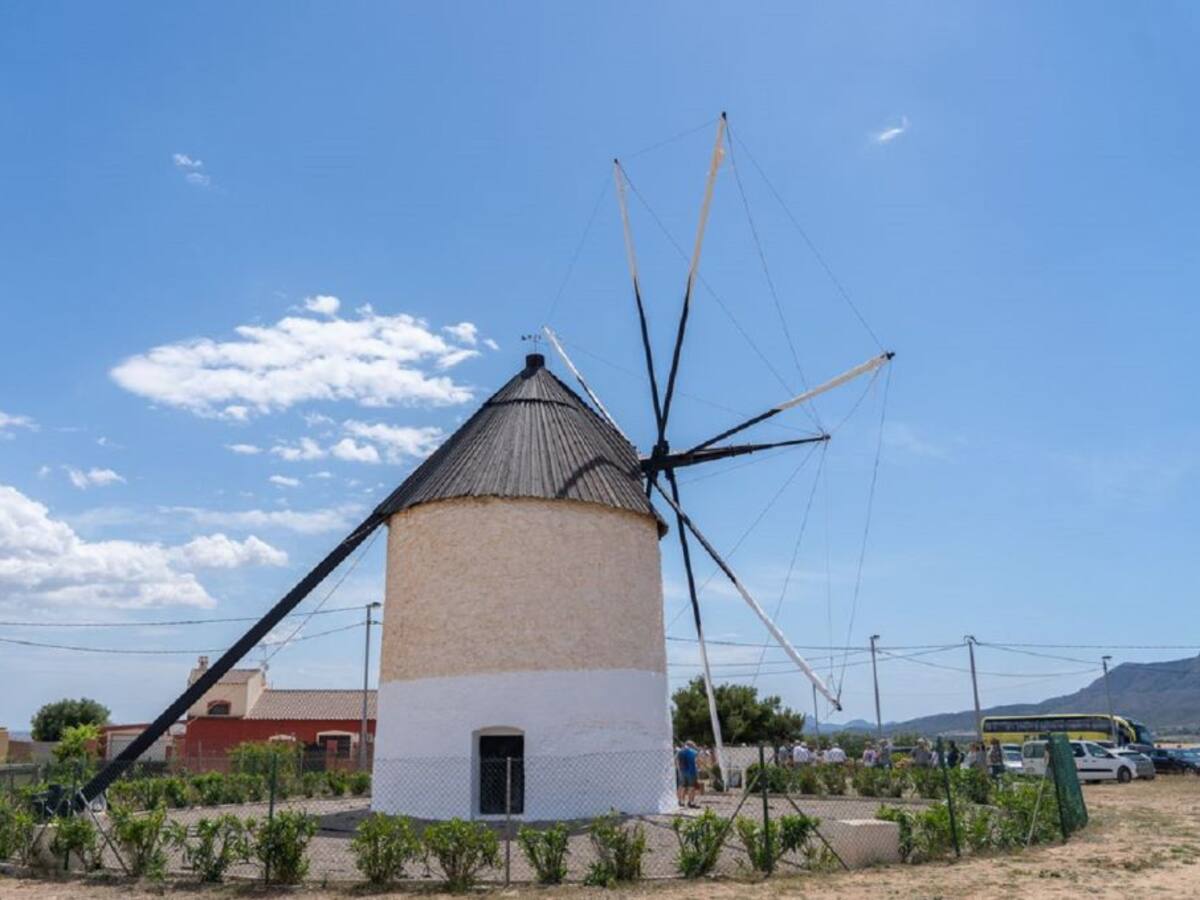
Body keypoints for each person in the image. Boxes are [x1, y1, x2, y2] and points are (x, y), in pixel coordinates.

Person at [676, 740, 700, 808]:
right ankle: (691, 802)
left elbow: (677, 762)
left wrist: (679, 770)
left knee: (682, 787)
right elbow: (697, 761)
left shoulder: (680, 752)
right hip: (691, 772)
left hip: (682, 772)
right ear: (691, 745)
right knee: (691, 787)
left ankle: (681, 801)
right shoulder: (693, 752)